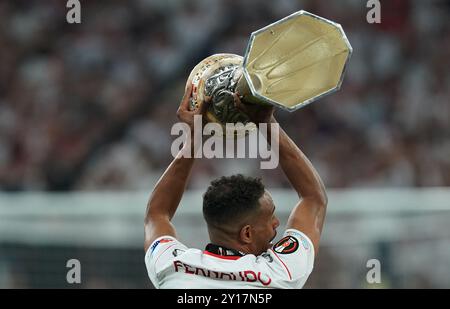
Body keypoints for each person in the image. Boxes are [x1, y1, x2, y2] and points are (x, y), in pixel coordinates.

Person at [144, 81, 328, 289]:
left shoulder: (171, 266)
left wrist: (193, 139)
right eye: (270, 217)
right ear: (246, 233)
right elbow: (313, 197)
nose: (277, 223)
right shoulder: (277, 274)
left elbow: (157, 214)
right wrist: (266, 122)